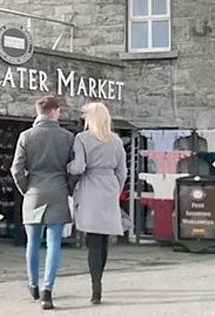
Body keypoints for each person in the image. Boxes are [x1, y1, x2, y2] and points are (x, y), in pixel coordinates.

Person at [11, 96, 74, 310]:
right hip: (58, 190)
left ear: (38, 111)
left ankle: (33, 285)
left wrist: (26, 189)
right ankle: (48, 290)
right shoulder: (67, 137)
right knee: (54, 242)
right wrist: (69, 187)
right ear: (55, 111)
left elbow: (16, 169)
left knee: (33, 243)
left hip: (34, 192)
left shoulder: (26, 136)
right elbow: (73, 168)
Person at [67, 102, 128, 305]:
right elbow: (122, 171)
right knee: (103, 239)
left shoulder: (82, 138)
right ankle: (99, 281)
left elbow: (79, 167)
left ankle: (96, 288)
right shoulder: (116, 141)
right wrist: (116, 189)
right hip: (109, 187)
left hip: (91, 186)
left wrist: (68, 168)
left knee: (93, 240)